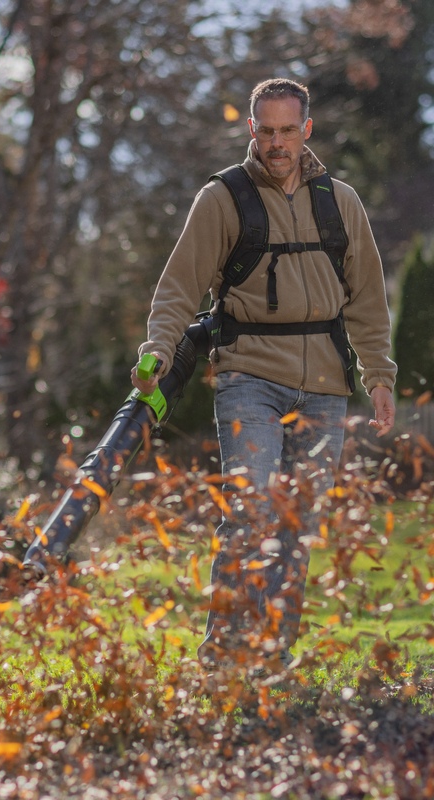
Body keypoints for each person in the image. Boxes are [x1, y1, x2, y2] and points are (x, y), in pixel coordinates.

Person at [131, 78, 396, 672]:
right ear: (252, 130)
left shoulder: (340, 201)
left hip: (326, 387)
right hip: (249, 376)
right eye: (266, 131)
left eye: (288, 131)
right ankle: (223, 658)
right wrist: (156, 352)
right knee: (250, 513)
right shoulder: (223, 198)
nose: (277, 143)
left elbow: (369, 301)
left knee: (297, 524)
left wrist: (378, 376)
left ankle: (272, 655)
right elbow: (178, 288)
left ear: (307, 130)